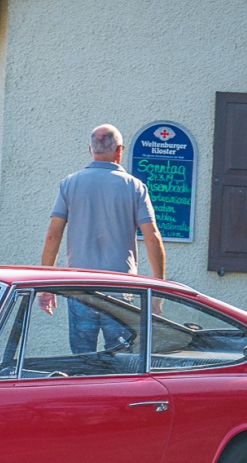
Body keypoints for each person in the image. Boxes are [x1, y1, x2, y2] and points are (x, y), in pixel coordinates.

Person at [39, 124, 166, 353]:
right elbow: (152, 237)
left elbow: (52, 235)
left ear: (90, 150)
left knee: (82, 361)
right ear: (119, 150)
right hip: (120, 287)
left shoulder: (69, 184)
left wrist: (46, 285)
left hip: (79, 286)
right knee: (118, 361)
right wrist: (158, 288)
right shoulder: (135, 187)